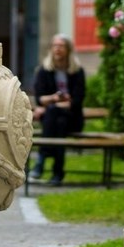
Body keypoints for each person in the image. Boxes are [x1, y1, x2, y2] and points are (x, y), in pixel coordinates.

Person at [29, 33, 86, 185]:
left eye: (61, 46)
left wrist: (50, 105)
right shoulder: (43, 71)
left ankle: (41, 160)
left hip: (73, 119)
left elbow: (77, 101)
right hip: (54, 120)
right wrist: (55, 99)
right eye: (55, 46)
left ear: (68, 50)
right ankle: (57, 173)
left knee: (55, 114)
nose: (57, 49)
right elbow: (40, 98)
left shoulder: (77, 71)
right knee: (59, 123)